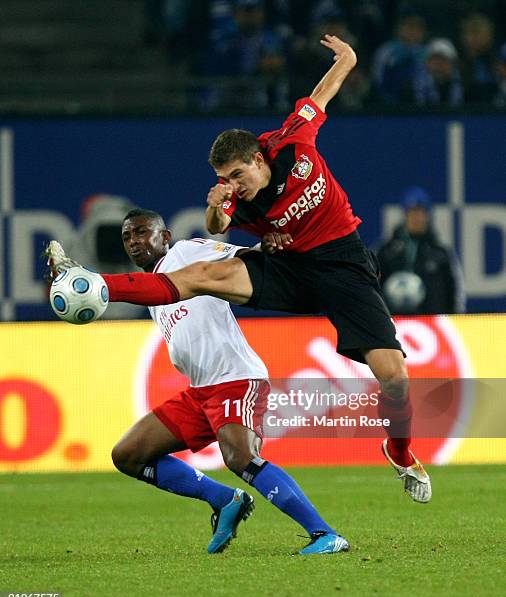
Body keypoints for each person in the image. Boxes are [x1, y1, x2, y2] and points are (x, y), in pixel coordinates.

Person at [49, 35, 432, 505]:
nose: (231, 186)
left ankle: (400, 450)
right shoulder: (232, 197)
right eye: (221, 180)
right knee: (204, 275)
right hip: (290, 267)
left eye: (236, 176)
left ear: (258, 159)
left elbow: (319, 98)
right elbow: (219, 226)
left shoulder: (293, 142)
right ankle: (97, 286)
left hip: (343, 264)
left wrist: (350, 58)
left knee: (393, 377)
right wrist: (216, 209)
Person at [46, 209, 350, 556]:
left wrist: (265, 248)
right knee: (128, 455)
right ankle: (224, 500)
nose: (134, 242)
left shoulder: (187, 253)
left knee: (241, 457)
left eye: (142, 232)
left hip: (237, 378)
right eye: (128, 237)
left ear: (165, 236)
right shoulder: (154, 285)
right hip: (201, 392)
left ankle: (326, 534)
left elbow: (243, 257)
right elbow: (134, 291)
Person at [376, 187, 466, 315]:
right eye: (412, 212)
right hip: (394, 323)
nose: (417, 217)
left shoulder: (440, 253)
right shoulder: (386, 251)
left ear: (427, 215)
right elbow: (372, 285)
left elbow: (455, 291)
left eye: (421, 212)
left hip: (432, 323)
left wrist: (455, 320)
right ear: (405, 214)